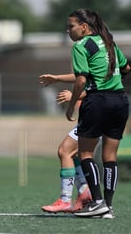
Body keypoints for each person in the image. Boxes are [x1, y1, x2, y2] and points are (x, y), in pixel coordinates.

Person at [65, 9, 130, 219]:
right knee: (110, 157)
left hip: (97, 102)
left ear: (84, 27)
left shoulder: (81, 46)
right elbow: (126, 67)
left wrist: (71, 104)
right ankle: (108, 207)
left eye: (71, 26)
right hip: (120, 100)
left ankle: (97, 202)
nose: (68, 30)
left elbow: (81, 80)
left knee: (85, 154)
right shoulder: (109, 42)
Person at [38, 73, 92, 213]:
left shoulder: (90, 51)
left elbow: (100, 87)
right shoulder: (108, 56)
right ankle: (85, 191)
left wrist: (75, 96)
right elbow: (85, 75)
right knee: (76, 154)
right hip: (105, 110)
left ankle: (66, 200)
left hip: (97, 112)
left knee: (65, 151)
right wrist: (57, 78)